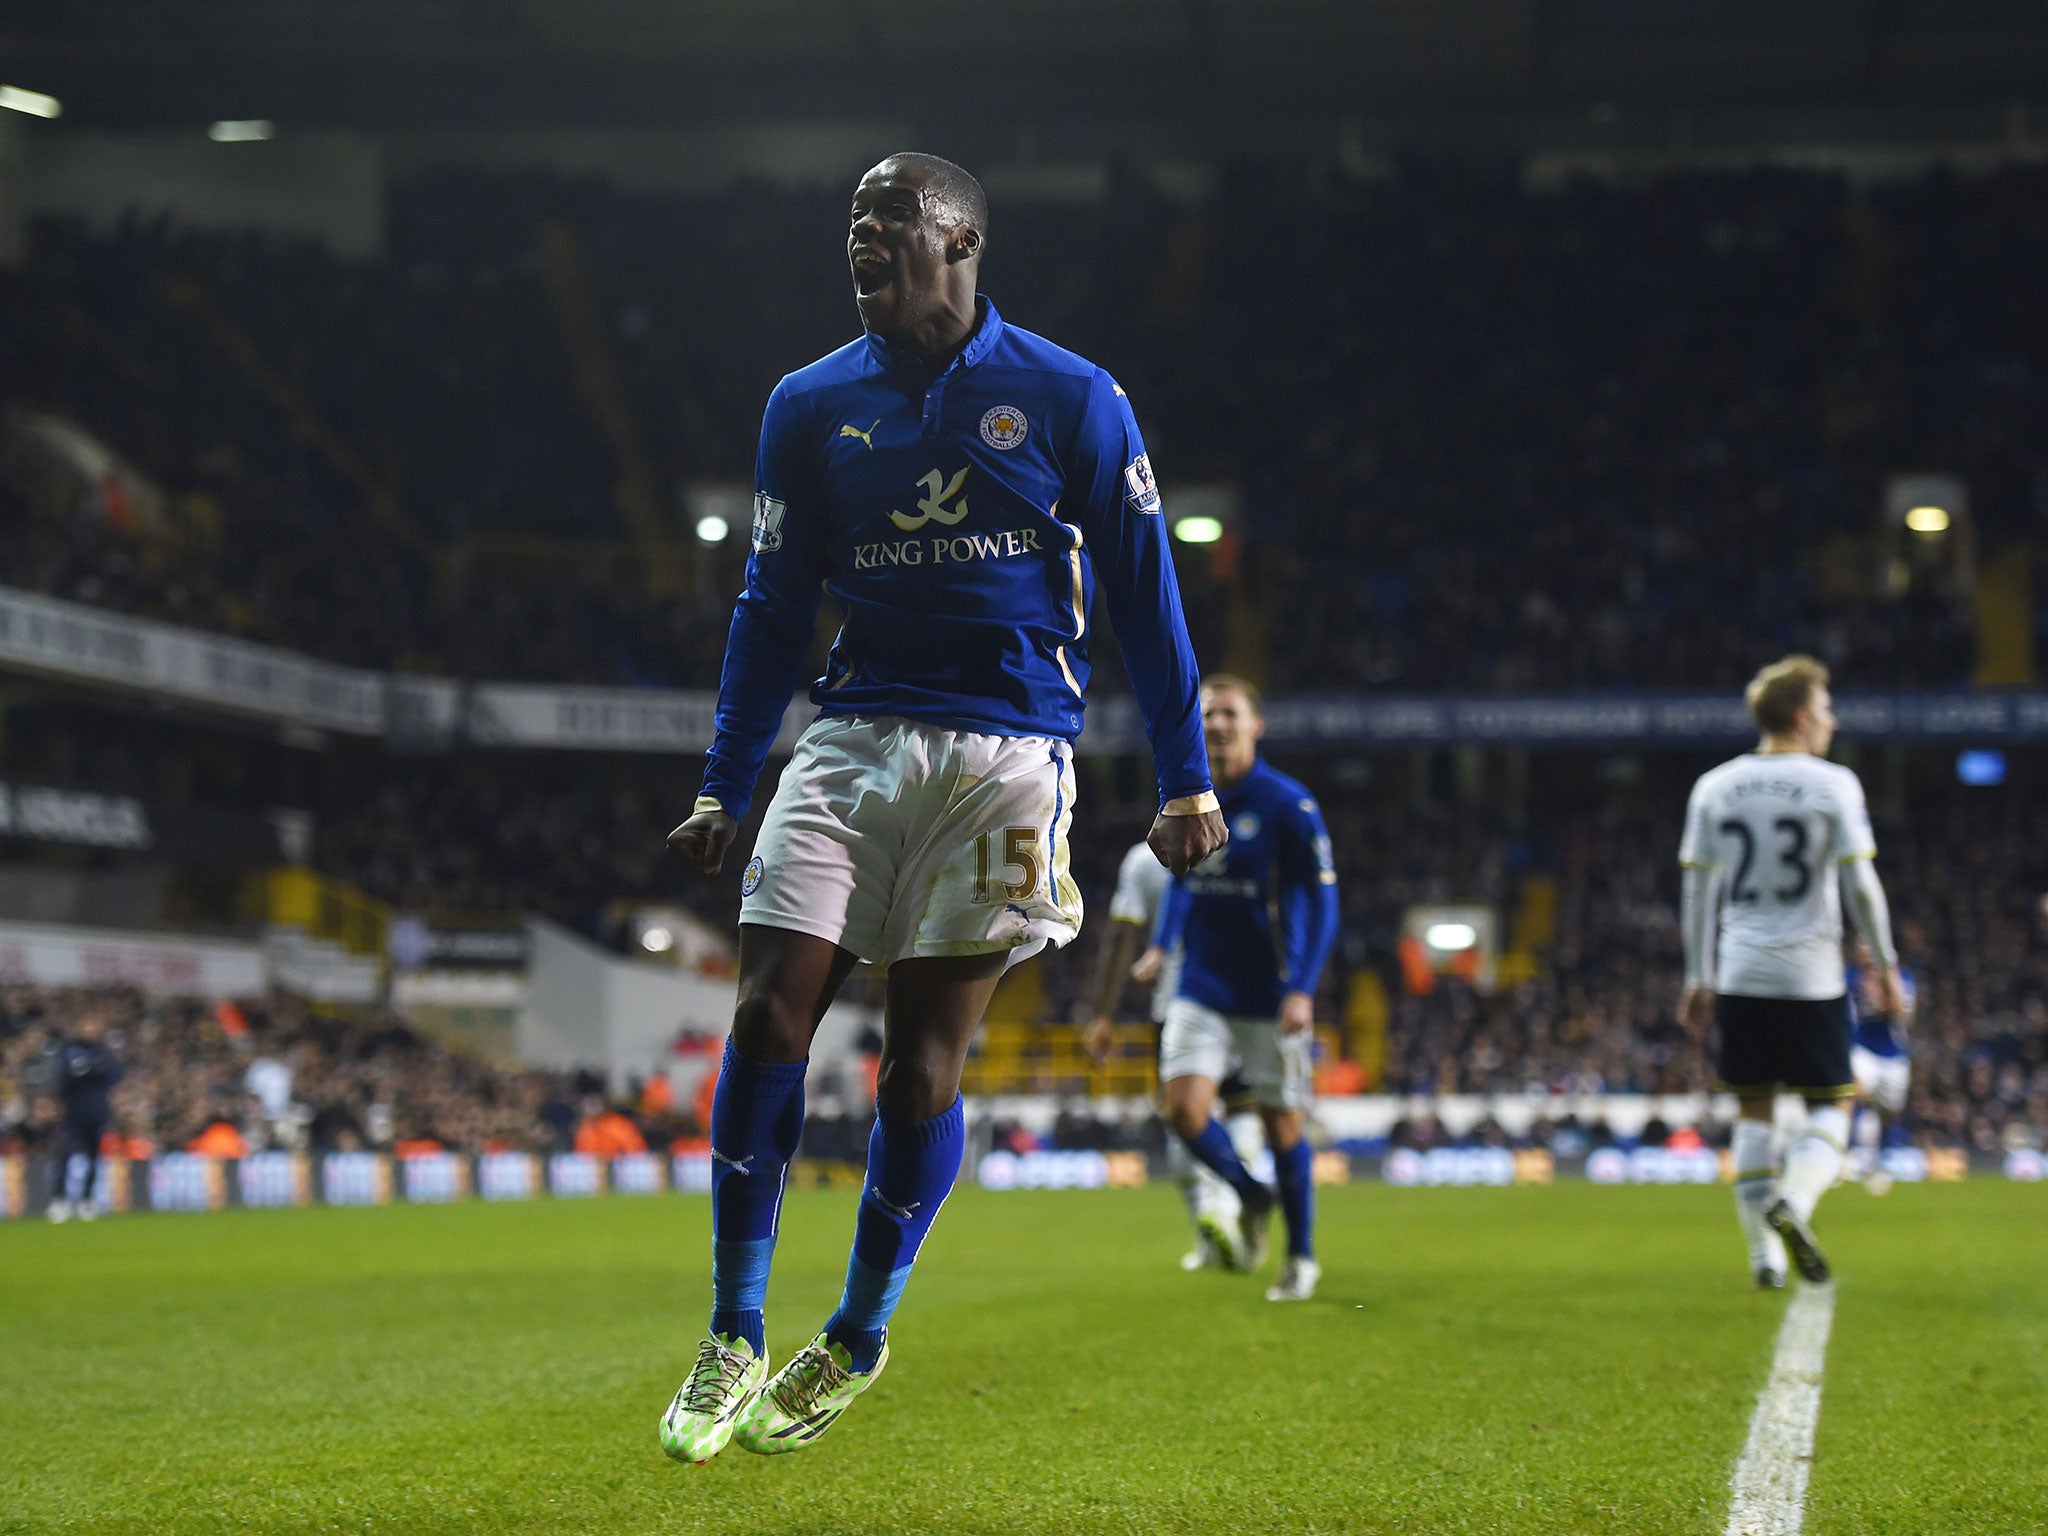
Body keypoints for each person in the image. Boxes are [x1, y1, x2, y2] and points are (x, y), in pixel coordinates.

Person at [657, 152, 1226, 1464]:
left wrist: (1188, 775)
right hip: (850, 742)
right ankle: (734, 1329)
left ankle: (854, 1335)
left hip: (1009, 758)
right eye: (853, 221)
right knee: (767, 1007)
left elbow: (1146, 596)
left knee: (920, 1066)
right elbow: (770, 604)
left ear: (960, 238)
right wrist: (724, 777)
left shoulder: (1074, 398)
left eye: (890, 219)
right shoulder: (808, 404)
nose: (862, 237)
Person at [1679, 656, 1904, 1288]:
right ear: (1803, 716)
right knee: (1834, 1108)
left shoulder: (1715, 786)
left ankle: (1763, 1260)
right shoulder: (1834, 785)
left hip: (1742, 974)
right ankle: (1795, 1205)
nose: (1832, 719)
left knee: (1753, 1112)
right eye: (1827, 708)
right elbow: (1862, 886)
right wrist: (1885, 967)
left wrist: (1698, 976)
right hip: (1812, 978)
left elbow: (1699, 893)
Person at [1145, 675, 1340, 1302]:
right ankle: (1253, 1196)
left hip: (1269, 991)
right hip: (1200, 985)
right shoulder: (1188, 799)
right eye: (1207, 716)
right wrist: (1161, 944)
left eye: (1230, 714)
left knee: (1284, 1128)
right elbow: (1180, 878)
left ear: (1256, 725)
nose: (1218, 726)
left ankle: (1301, 1258)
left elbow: (1319, 898)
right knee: (1182, 1111)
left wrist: (1303, 986)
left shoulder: (1287, 804)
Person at [1084, 839, 1256, 1271]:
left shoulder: (1145, 859)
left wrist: (1102, 1014)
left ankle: (1208, 1218)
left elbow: (1123, 934)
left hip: (1176, 1003)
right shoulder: (1247, 844)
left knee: (1180, 1114)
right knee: (1241, 1107)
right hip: (1245, 998)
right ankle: (1229, 1212)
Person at [1847, 938, 1915, 1195]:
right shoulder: (1851, 977)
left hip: (1893, 1053)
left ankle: (1885, 1159)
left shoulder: (1902, 977)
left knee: (1889, 1111)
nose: (1863, 953)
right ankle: (1854, 1154)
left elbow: (1900, 1011)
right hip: (1862, 1048)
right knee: (1856, 1094)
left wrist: (1884, 985)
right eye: (1860, 948)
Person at [47, 1012, 122, 1223]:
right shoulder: (70, 1049)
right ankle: (59, 1200)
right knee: (64, 1155)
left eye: (93, 1025)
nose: (90, 1029)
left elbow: (115, 1073)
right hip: (72, 1113)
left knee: (94, 1157)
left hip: (97, 1114)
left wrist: (89, 1070)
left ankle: (86, 1199)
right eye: (87, 1024)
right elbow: (65, 1076)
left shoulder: (103, 1051)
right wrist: (93, 1071)